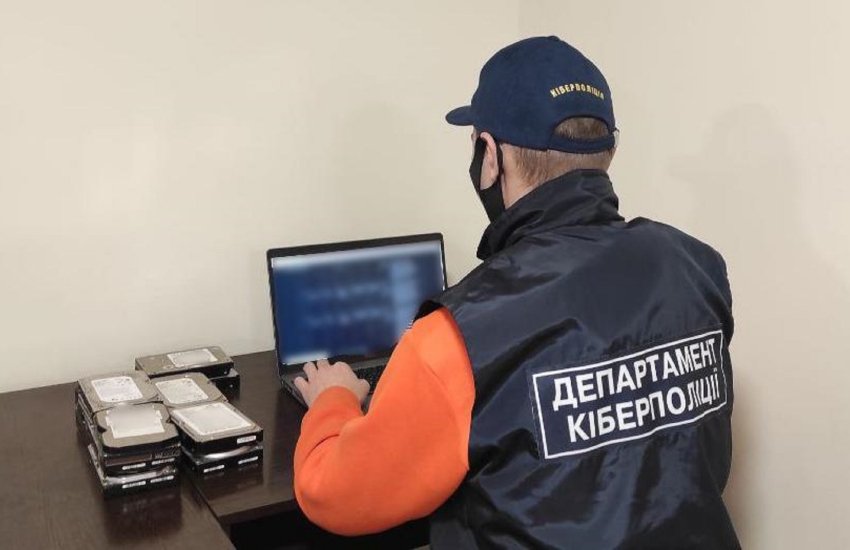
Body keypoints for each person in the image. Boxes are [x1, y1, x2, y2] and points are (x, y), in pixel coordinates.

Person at [292, 36, 739, 549]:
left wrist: (332, 400)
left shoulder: (460, 333)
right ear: (608, 149)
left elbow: (335, 495)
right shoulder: (696, 266)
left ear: (489, 156)